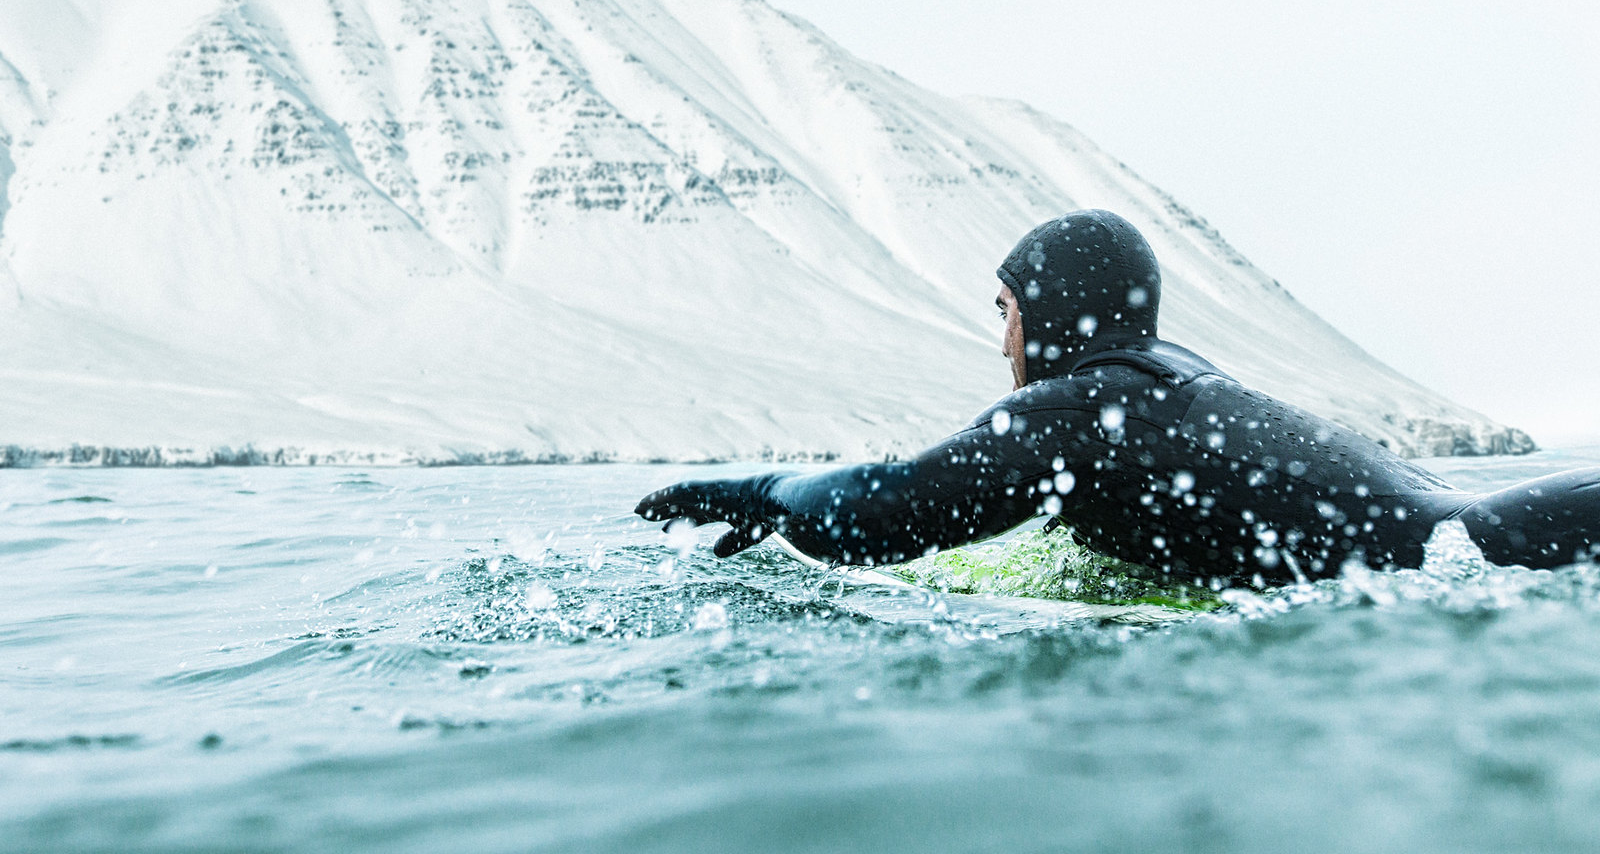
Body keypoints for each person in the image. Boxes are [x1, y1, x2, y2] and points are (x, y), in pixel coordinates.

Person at [636, 210, 1600, 589]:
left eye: (1007, 309)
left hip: (1473, 561)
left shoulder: (1080, 409)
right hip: (1484, 537)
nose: (1001, 337)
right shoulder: (1169, 384)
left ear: (1056, 312)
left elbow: (889, 509)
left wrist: (767, 490)